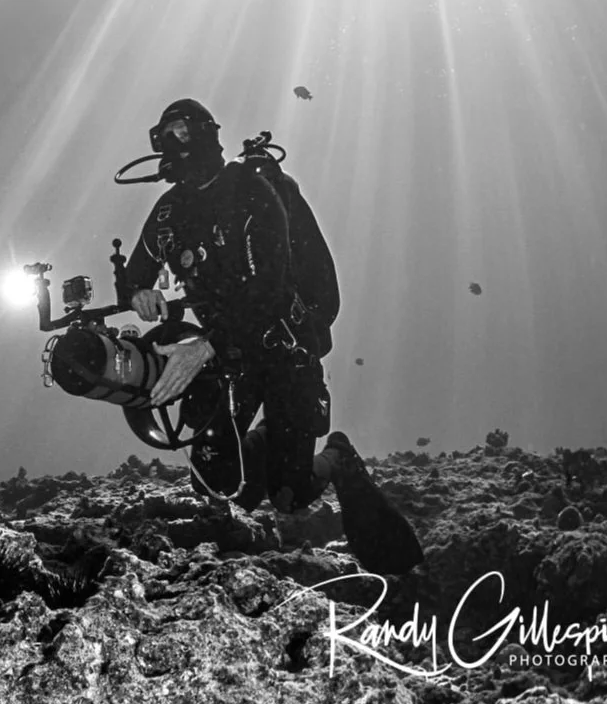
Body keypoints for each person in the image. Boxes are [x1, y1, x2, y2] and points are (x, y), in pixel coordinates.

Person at [121, 98, 424, 576]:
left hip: (284, 347)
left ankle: (338, 458)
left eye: (179, 132)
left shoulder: (252, 191)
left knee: (290, 494)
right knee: (214, 485)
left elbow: (270, 289)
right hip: (228, 354)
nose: (169, 146)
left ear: (206, 133)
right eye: (162, 138)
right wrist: (139, 291)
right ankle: (264, 442)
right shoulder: (168, 213)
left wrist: (205, 344)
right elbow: (132, 275)